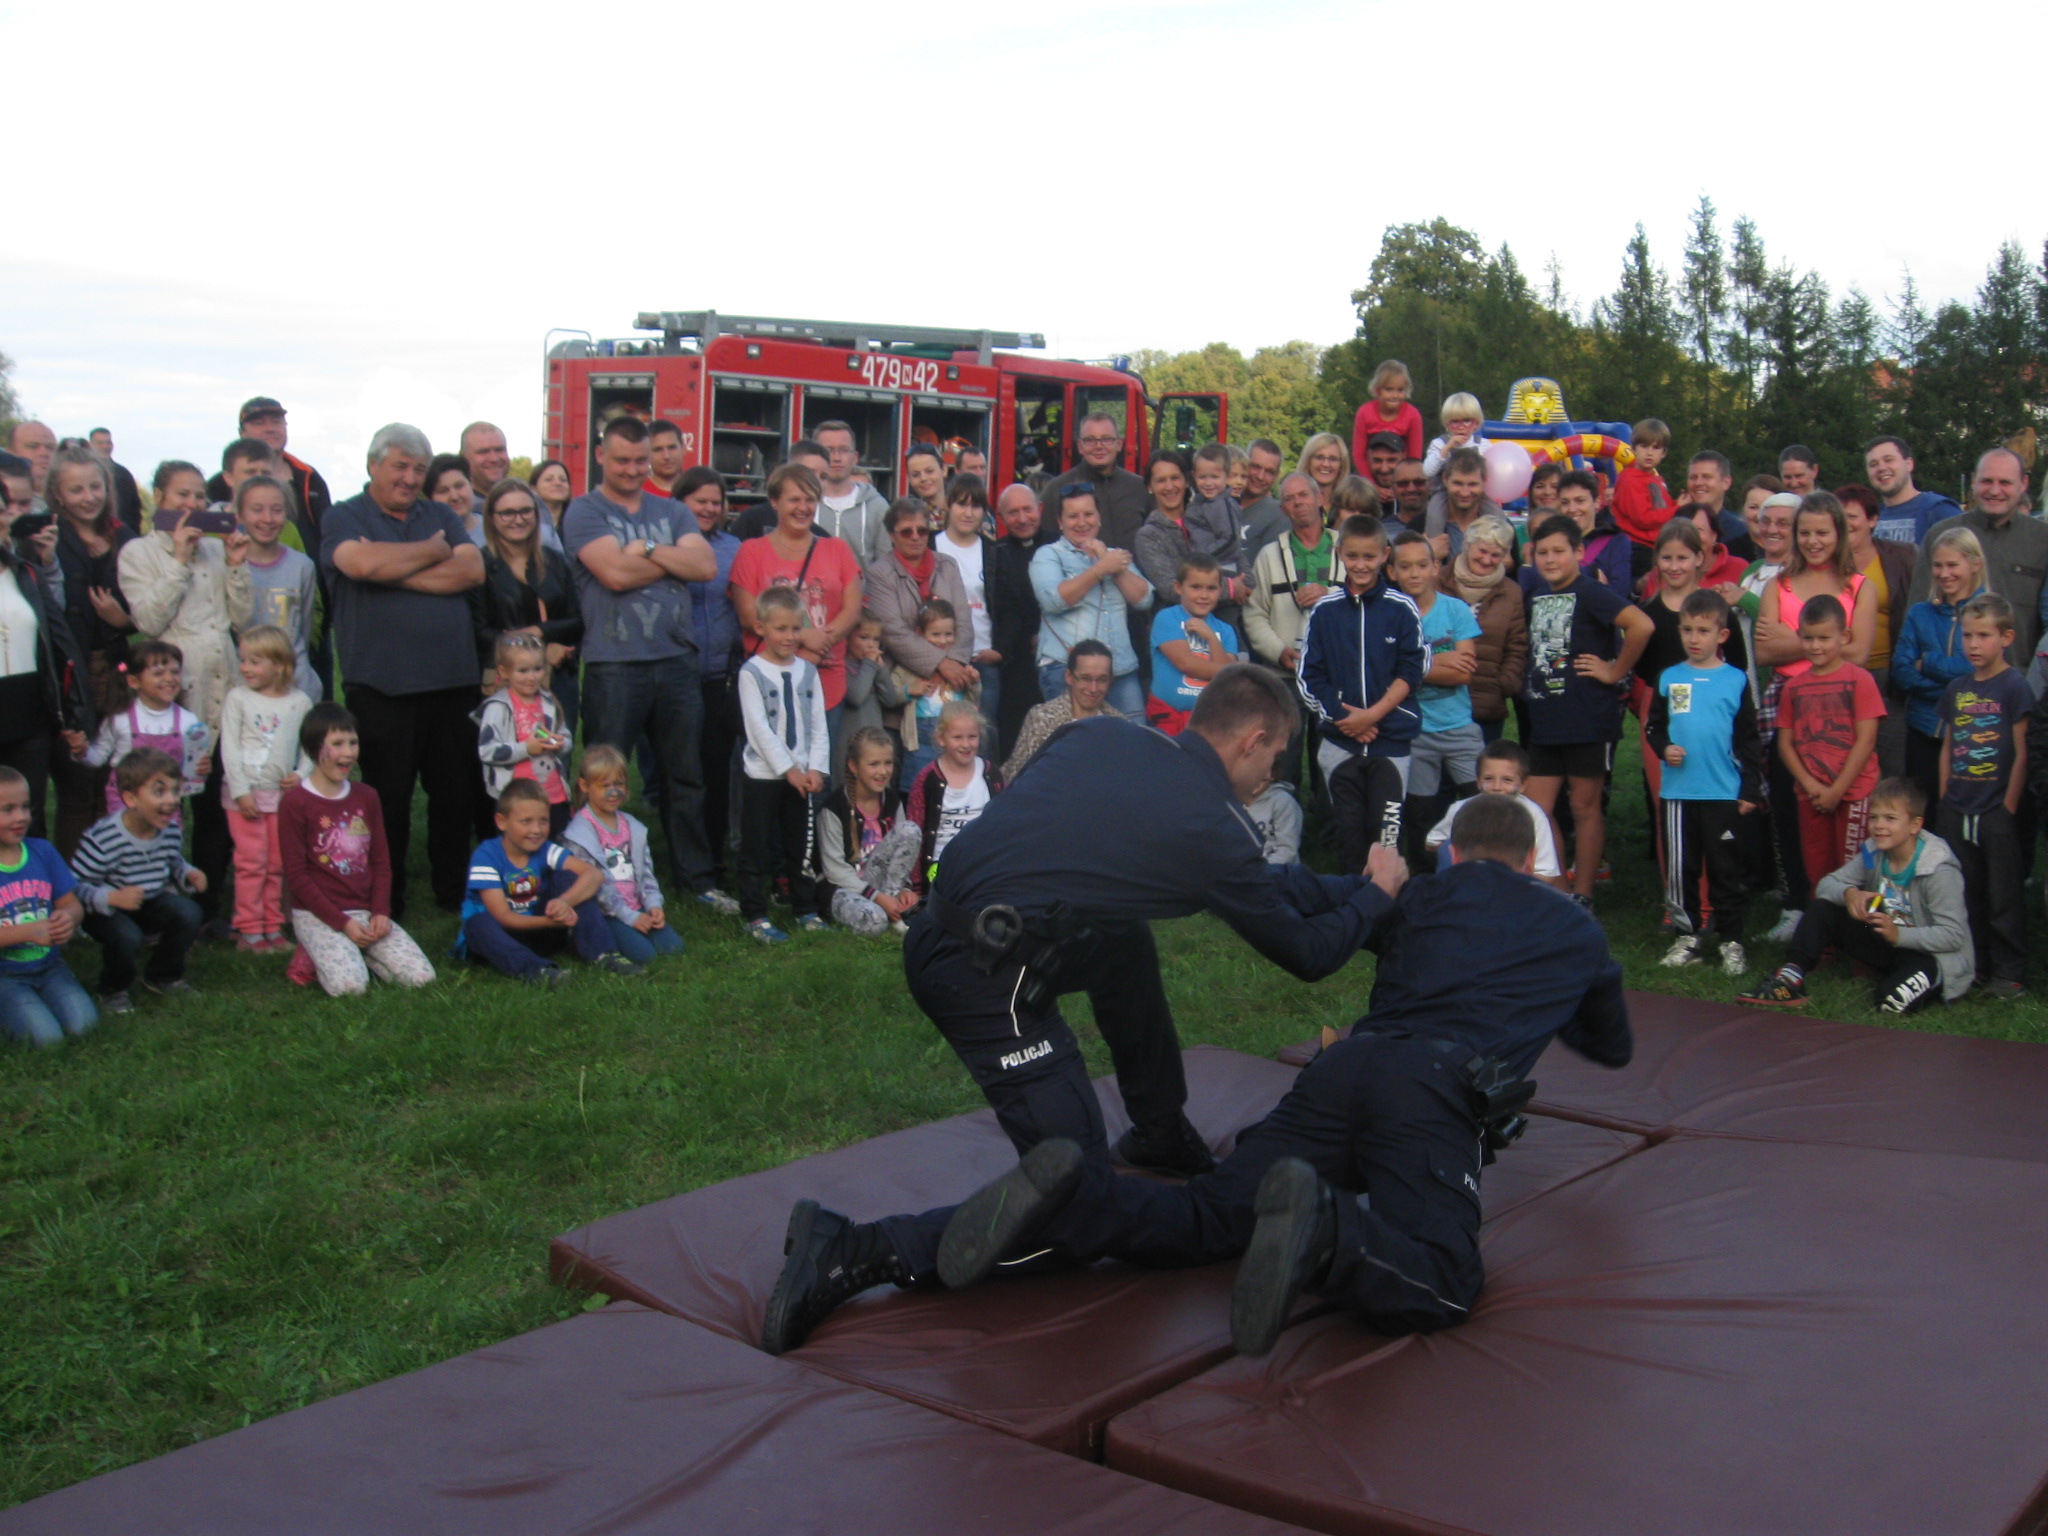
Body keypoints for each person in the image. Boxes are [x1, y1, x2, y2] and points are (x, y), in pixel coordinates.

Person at [760, 793, 1632, 1358]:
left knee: (1207, 1215)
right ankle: (1326, 1233)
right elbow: (1612, 1045)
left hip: (1343, 1074)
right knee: (1442, 1276)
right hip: (1434, 1088)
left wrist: (1368, 888)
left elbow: (1308, 897)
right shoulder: (1576, 931)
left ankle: (865, 1247)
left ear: (1454, 854)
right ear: (1533, 862)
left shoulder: (1424, 895)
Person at [897, 666, 1412, 1206]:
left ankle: (1158, 1132)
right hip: (978, 974)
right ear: (1252, 742)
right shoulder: (1212, 826)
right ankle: (883, 1247)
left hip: (964, 928)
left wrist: (1356, 888)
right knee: (1080, 1192)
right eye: (1275, 756)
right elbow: (1308, 953)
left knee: (1123, 943)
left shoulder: (1098, 732)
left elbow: (1260, 886)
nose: (1271, 773)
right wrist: (1377, 896)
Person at [322, 424, 486, 920]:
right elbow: (358, 565)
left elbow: (471, 570)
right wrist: (432, 552)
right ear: (373, 465)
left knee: (455, 794)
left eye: (419, 469)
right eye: (400, 466)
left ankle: (453, 891)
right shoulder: (345, 514)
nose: (410, 478)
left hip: (453, 681)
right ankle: (384, 900)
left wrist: (390, 570)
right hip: (382, 685)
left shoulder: (439, 514)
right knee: (386, 799)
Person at [565, 416, 725, 910]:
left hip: (675, 660)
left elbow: (704, 565)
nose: (633, 469)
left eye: (641, 460)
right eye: (622, 460)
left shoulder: (672, 509)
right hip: (614, 665)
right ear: (600, 456)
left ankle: (696, 880)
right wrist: (669, 560)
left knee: (685, 777)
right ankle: (600, 879)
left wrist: (648, 549)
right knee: (604, 779)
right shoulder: (584, 510)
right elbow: (613, 573)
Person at [1739, 778, 1970, 1014]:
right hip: (1887, 940)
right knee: (1823, 907)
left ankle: (1917, 981)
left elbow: (1952, 936)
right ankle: (1790, 978)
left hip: (1929, 955)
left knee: (1889, 1005)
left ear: (1915, 825)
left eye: (1890, 818)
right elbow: (1826, 885)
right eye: (1874, 817)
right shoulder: (1873, 851)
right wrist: (1850, 894)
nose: (1879, 826)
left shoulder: (1938, 870)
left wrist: (1900, 934)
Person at [1520, 515, 1653, 906]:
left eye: (1559, 551)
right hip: (1546, 718)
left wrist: (1614, 670)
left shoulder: (1591, 591)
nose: (1550, 559)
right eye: (1542, 552)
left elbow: (1641, 625)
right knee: (1537, 809)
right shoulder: (1536, 594)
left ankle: (1584, 894)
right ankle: (1560, 891)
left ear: (1578, 552)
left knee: (1584, 806)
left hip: (1587, 716)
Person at [278, 703, 436, 997]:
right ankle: (312, 953)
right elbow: (297, 876)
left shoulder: (366, 796)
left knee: (421, 978)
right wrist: (343, 924)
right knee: (350, 988)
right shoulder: (295, 802)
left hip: (363, 909)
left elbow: (381, 861)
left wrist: (380, 911)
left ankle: (355, 952)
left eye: (353, 742)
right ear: (313, 748)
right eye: (337, 744)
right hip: (318, 913)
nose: (348, 752)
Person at [1646, 590, 1763, 976]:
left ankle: (1731, 940)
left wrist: (1749, 789)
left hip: (1722, 793)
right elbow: (1654, 727)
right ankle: (1687, 936)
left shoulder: (1735, 680)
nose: (1694, 638)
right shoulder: (1670, 677)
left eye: (1702, 631)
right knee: (1681, 869)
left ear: (1722, 635)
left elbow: (1749, 739)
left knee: (1726, 870)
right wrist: (1664, 748)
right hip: (1678, 794)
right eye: (1687, 630)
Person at [729, 460, 865, 785]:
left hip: (824, 683)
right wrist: (805, 636)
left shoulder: (837, 549)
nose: (803, 508)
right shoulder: (752, 551)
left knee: (818, 776)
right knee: (766, 775)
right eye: (794, 499)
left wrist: (819, 647)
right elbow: (749, 615)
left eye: (810, 499)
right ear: (774, 502)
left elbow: (852, 610)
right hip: (769, 685)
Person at [1934, 593, 2032, 999]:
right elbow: (1948, 744)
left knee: (2002, 894)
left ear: (2006, 637)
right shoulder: (1957, 688)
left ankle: (2009, 973)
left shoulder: (2014, 686)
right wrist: (1945, 797)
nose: (1973, 644)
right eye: (1968, 635)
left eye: (1984, 635)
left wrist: (2008, 807)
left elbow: (2023, 751)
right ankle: (1975, 966)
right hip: (1958, 806)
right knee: (1966, 892)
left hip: (1995, 808)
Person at [459, 779, 642, 984]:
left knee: (568, 878)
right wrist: (550, 921)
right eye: (526, 821)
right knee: (478, 924)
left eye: (543, 821)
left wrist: (565, 901)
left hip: (542, 931)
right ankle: (537, 970)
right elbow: (503, 917)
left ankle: (604, 953)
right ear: (502, 822)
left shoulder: (545, 849)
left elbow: (594, 875)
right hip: (503, 935)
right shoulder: (486, 856)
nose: (536, 830)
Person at [72, 747, 207, 1013]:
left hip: (147, 899)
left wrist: (188, 873)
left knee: (189, 912)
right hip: (104, 908)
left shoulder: (168, 829)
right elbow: (74, 886)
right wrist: (111, 897)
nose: (172, 800)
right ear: (130, 798)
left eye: (175, 791)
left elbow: (172, 861)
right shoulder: (105, 838)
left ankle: (163, 976)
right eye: (159, 792)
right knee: (127, 936)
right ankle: (112, 989)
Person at [1297, 514, 1425, 792]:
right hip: (1339, 739)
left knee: (1386, 820)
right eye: (1352, 556)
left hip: (1390, 738)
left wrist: (1371, 716)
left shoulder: (1402, 608)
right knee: (1344, 818)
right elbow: (1309, 676)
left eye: (1369, 556)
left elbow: (1412, 669)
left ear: (1385, 555)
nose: (1361, 565)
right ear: (1339, 553)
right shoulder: (1325, 611)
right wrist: (1343, 716)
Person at [1777, 594, 1885, 912]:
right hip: (1811, 796)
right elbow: (1785, 743)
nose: (1816, 646)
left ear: (1844, 636)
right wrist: (1812, 786)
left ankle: (1861, 934)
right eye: (1808, 638)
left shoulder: (1860, 680)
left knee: (1856, 869)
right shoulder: (1793, 687)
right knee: (1818, 870)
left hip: (1854, 794)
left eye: (1824, 638)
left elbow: (1866, 740)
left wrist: (1837, 790)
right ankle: (1822, 931)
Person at [735, 586, 830, 945]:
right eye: (780, 629)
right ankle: (754, 913)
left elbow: (818, 723)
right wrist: (787, 769)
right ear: (761, 628)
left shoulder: (808, 672)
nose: (789, 637)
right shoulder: (751, 672)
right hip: (764, 775)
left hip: (802, 776)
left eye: (795, 628)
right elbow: (758, 728)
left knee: (801, 843)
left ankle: (805, 908)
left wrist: (815, 767)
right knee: (756, 845)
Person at [0, 471, 92, 839]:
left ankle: (30, 878)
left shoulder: (25, 574)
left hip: (29, 717)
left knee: (27, 819)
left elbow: (60, 645)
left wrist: (74, 714)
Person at [217, 625, 312, 952]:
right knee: (251, 863)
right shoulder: (238, 698)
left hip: (281, 798)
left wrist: (300, 774)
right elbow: (229, 747)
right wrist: (241, 791)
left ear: (281, 665)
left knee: (277, 863)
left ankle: (272, 925)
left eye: (254, 662)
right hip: (246, 798)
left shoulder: (299, 702)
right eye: (243, 660)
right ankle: (248, 928)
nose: (245, 668)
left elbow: (310, 746)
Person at [1909, 449, 2048, 666]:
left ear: (2024, 484)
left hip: (2021, 678)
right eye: (1986, 481)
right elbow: (1916, 615)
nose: (1995, 490)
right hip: (1949, 680)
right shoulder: (1941, 535)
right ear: (1973, 481)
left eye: (2005, 482)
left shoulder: (2042, 540)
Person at [1388, 531, 1480, 852]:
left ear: (1435, 567)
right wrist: (1438, 661)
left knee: (1481, 803)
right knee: (1420, 814)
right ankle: (1423, 873)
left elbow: (1464, 672)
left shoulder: (1456, 610)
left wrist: (1409, 667)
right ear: (1392, 572)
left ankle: (1479, 865)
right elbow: (1385, 673)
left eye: (1422, 565)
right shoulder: (1390, 615)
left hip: (1459, 725)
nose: (1414, 574)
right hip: (1416, 731)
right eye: (1405, 566)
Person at [471, 476, 583, 732]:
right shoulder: (481, 564)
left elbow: (578, 620)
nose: (518, 519)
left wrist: (538, 631)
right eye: (507, 513)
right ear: (491, 517)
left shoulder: (555, 561)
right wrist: (532, 649)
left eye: (525, 511)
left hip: (557, 677)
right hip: (505, 681)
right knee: (512, 753)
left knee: (555, 751)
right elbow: (479, 630)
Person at [1029, 485, 1152, 717]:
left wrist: (1109, 562)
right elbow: (1053, 601)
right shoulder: (1048, 555)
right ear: (1060, 522)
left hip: (1119, 670)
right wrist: (1100, 569)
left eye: (1088, 514)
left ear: (1099, 518)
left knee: (1133, 735)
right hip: (1067, 669)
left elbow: (1143, 600)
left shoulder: (1114, 555)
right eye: (1073, 516)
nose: (1082, 522)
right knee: (1075, 736)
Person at [561, 744, 685, 966]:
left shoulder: (633, 827)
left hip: (636, 905)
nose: (614, 792)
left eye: (619, 784)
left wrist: (653, 905)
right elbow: (595, 888)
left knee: (674, 948)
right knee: (645, 955)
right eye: (604, 785)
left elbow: (646, 873)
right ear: (585, 786)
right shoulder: (579, 834)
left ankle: (640, 925)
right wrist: (629, 917)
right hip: (607, 913)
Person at [0, 764, 97, 1047]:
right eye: (8, 809)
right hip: (5, 975)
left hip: (50, 966)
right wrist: (28, 932)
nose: (21, 817)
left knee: (85, 1026)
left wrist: (68, 918)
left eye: (25, 807)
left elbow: (72, 905)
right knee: (46, 1039)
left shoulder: (42, 851)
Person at [1893, 528, 1990, 811]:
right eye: (1938, 565)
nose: (1944, 574)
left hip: (1972, 733)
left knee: (1962, 815)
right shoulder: (1920, 613)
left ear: (1975, 564)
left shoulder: (1990, 613)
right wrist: (1953, 687)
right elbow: (1902, 671)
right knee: (1922, 813)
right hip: (1923, 729)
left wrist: (1928, 662)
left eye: (1952, 565)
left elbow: (1980, 670)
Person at [678, 467, 743, 872]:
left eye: (715, 502)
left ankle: (715, 859)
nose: (708, 508)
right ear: (680, 502)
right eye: (699, 501)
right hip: (678, 672)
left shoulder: (734, 548)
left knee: (717, 770)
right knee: (683, 772)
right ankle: (683, 858)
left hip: (721, 675)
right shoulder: (667, 544)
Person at [1838, 482, 1916, 778]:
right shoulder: (1825, 562)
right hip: (1841, 672)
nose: (1846, 524)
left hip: (1887, 674)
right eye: (1839, 517)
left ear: (1872, 519)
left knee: (1891, 760)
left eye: (1852, 516)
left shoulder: (1902, 556)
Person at [816, 727, 922, 936]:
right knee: (875, 922)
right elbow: (834, 870)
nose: (882, 771)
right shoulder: (834, 808)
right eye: (874, 764)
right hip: (843, 888)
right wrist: (877, 898)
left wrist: (905, 889)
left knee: (910, 830)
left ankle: (895, 909)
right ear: (854, 766)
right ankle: (887, 912)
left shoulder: (892, 800)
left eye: (887, 763)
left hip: (881, 886)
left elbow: (901, 854)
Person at [1438, 513, 1527, 747]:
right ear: (1467, 545)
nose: (1487, 560)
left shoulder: (1511, 592)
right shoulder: (1438, 581)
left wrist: (1503, 685)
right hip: (1437, 702)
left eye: (1496, 555)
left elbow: (1517, 647)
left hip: (1487, 705)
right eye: (1482, 551)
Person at [1422, 740, 1563, 885]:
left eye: (1507, 780)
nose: (1497, 787)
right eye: (1488, 779)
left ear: (1522, 785)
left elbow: (1546, 872)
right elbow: (1433, 842)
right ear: (1478, 781)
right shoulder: (1462, 808)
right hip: (1468, 880)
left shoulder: (1533, 815)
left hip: (1515, 885)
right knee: (1448, 846)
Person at [475, 632, 573, 840]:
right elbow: (487, 751)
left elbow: (566, 736)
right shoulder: (498, 708)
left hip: (553, 795)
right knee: (521, 851)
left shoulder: (548, 701)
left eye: (537, 669)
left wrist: (560, 743)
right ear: (504, 671)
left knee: (556, 850)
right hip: (516, 801)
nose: (532, 677)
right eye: (523, 671)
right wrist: (526, 749)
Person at [206, 398, 333, 558]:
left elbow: (327, 533)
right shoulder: (216, 486)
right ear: (242, 432)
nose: (270, 429)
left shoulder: (310, 478)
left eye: (276, 422)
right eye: (259, 423)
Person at [234, 475, 321, 700]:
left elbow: (304, 625)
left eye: (277, 510)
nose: (268, 519)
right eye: (257, 510)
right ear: (240, 514)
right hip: (245, 685)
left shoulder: (302, 566)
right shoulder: (230, 565)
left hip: (294, 684)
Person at [935, 475, 1003, 747]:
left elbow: (1007, 606)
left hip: (982, 657)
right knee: (940, 737)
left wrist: (1000, 650)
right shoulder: (931, 546)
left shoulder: (993, 551)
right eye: (961, 504)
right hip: (941, 659)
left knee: (982, 739)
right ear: (948, 506)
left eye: (976, 506)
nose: (968, 513)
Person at [988, 483, 1053, 751]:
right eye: (1013, 512)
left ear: (1040, 509)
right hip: (1015, 663)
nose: (1022, 518)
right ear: (1001, 518)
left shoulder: (1059, 545)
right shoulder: (994, 553)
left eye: (1028, 509)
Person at [1147, 554, 1242, 736]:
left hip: (1209, 719)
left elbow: (1226, 680)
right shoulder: (1168, 618)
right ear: (1178, 587)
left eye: (1211, 588)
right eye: (1195, 587)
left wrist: (1211, 638)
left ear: (1221, 590)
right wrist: (1233, 671)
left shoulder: (1225, 630)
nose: (1203, 595)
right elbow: (1186, 664)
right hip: (1168, 715)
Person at [1002, 640, 1125, 780]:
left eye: (1102, 680)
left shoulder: (1119, 725)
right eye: (1085, 678)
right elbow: (1017, 775)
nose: (1093, 688)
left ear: (1111, 680)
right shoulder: (1042, 718)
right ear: (1069, 677)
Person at [892, 601, 979, 787]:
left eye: (948, 634)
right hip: (920, 741)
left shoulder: (957, 666)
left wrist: (974, 682)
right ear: (919, 634)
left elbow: (974, 699)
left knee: (952, 784)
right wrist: (909, 690)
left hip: (954, 738)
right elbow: (889, 694)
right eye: (935, 634)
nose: (943, 640)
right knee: (919, 786)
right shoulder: (909, 668)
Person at [1037, 411, 1148, 553]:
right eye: (1090, 440)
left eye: (1106, 439)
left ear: (1119, 444)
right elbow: (1042, 542)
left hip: (1132, 567)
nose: (1099, 446)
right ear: (1080, 446)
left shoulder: (1140, 487)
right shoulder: (1057, 489)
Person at [812, 420, 892, 566]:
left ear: (855, 458)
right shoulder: (804, 504)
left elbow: (886, 566)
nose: (836, 458)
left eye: (843, 450)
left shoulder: (877, 507)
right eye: (828, 450)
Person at [1864, 435, 1960, 547]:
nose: (1881, 468)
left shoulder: (1939, 510)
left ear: (1909, 464)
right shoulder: (1870, 519)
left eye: (1888, 460)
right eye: (1873, 464)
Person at [1611, 417, 1674, 581]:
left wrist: (1680, 503)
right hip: (1636, 547)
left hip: (1654, 545)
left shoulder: (1656, 480)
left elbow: (1664, 508)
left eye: (1656, 448)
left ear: (1663, 453)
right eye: (1644, 446)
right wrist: (1678, 508)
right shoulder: (1630, 479)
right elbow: (1643, 518)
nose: (1649, 453)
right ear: (1634, 448)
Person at [1350, 359, 1425, 466]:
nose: (1395, 395)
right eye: (1389, 389)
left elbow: (1414, 457)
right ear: (1377, 390)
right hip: (1370, 470)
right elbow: (1359, 455)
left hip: (1401, 471)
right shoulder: (1364, 413)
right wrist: (1367, 477)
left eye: (1400, 390)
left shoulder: (1413, 415)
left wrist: (1403, 476)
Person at [1684, 451, 1756, 562]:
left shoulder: (1739, 533)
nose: (1698, 483)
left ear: (1726, 482)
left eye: (1706, 477)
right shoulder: (1674, 526)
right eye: (1693, 477)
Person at [1236, 439, 1287, 563]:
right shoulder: (1218, 505)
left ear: (1277, 476)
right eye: (1255, 467)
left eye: (1269, 472)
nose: (1260, 476)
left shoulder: (1278, 515)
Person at [1420, 393, 1488, 481]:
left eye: (1467, 421)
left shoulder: (1483, 444)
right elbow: (1427, 472)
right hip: (1444, 487)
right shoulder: (1439, 443)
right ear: (1447, 424)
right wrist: (1446, 449)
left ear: (1476, 423)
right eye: (1455, 422)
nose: (1461, 427)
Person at [425, 454, 484, 546]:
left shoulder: (495, 527)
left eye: (459, 486)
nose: (454, 497)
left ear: (471, 484)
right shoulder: (425, 540)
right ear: (429, 499)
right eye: (443, 491)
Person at [1296, 433, 1351, 519]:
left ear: (1341, 465)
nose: (1326, 464)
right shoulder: (1293, 504)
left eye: (1333, 459)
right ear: (1308, 462)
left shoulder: (1349, 507)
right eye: (1319, 457)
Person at [458, 422, 512, 500]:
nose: (494, 459)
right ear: (463, 458)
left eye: (499, 450)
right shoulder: (456, 505)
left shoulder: (526, 501)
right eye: (484, 452)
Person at [531, 459, 574, 552]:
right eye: (549, 479)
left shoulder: (578, 521)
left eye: (563, 480)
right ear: (533, 488)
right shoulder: (528, 522)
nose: (558, 483)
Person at [1388, 458, 1433, 533]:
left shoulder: (1446, 526)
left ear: (1431, 485)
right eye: (1403, 483)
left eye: (1419, 482)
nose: (1411, 489)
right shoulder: (1381, 530)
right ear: (1392, 488)